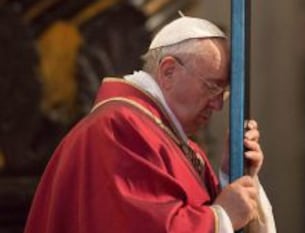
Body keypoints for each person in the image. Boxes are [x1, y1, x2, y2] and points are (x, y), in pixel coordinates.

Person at [24, 16, 276, 233]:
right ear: (168, 72)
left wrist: (231, 177)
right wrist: (222, 217)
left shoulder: (173, 141)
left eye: (224, 93)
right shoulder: (119, 129)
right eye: (211, 87)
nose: (218, 105)